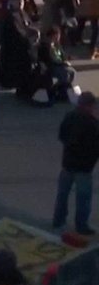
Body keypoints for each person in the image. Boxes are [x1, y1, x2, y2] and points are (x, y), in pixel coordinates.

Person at [52, 91, 99, 235]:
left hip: (68, 163)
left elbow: (62, 135)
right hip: (84, 167)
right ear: (90, 106)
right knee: (83, 198)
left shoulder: (70, 117)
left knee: (63, 194)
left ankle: (58, 220)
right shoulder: (92, 124)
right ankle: (81, 225)